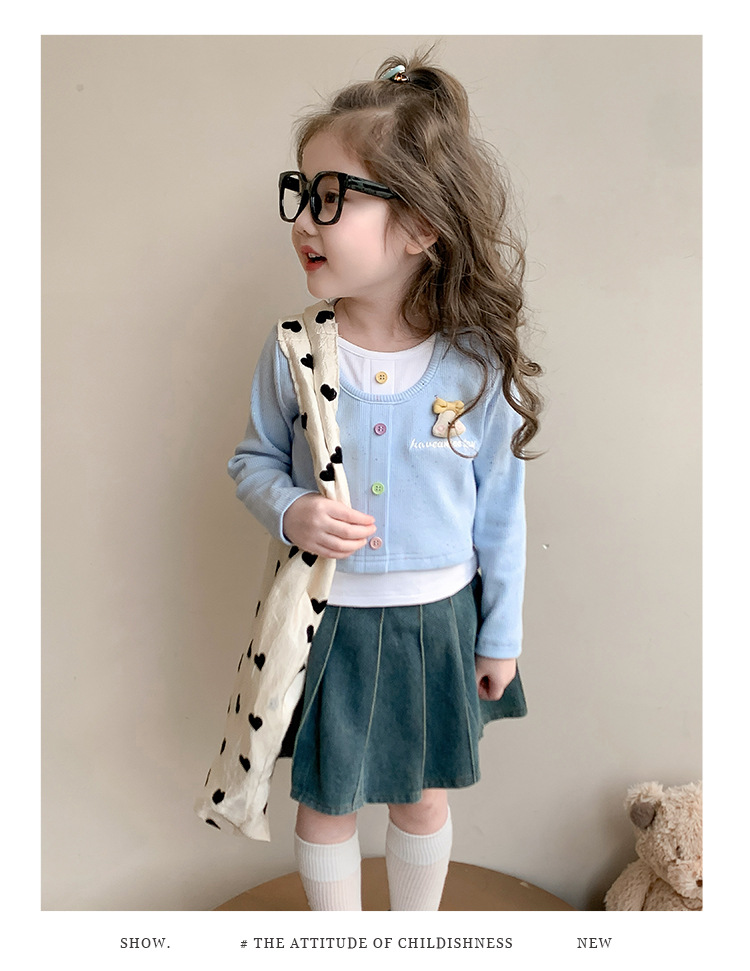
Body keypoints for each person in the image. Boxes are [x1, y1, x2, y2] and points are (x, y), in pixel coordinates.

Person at [228, 51, 542, 911]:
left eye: (332, 197)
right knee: (326, 802)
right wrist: (292, 508)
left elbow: (501, 513)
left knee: (421, 797)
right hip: (326, 618)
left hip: (437, 624)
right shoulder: (294, 349)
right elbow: (252, 460)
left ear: (420, 227)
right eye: (302, 193)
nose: (305, 219)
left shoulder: (475, 364)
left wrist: (500, 637)